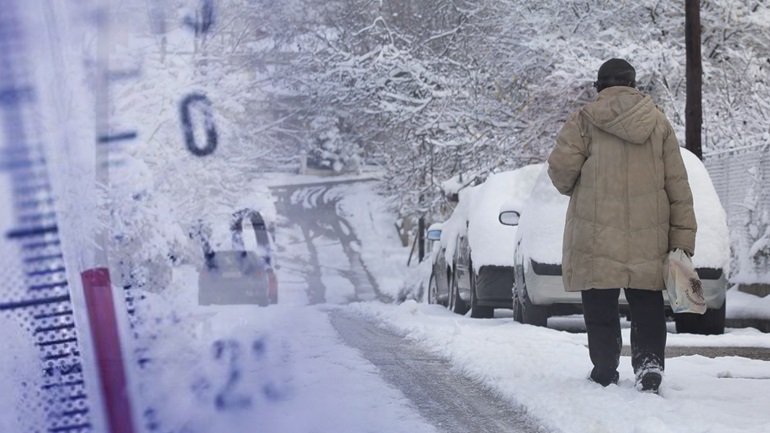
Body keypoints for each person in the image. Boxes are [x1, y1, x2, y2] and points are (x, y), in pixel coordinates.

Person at [546, 58, 696, 393]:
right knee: (647, 301)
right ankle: (649, 366)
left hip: (595, 232)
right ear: (633, 84)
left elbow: (560, 173)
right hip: (649, 233)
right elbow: (678, 186)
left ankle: (604, 368)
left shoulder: (583, 121)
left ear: (599, 86)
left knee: (599, 301)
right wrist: (683, 238)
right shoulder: (658, 123)